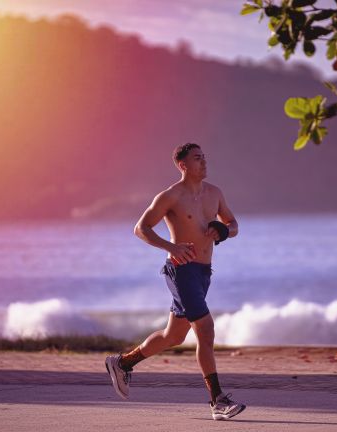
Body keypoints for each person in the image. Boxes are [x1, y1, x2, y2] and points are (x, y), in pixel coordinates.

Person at [105, 143, 246, 421]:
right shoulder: (171, 196)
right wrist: (172, 248)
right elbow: (140, 228)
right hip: (181, 271)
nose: (204, 162)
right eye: (197, 158)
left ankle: (122, 363)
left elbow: (234, 225)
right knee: (205, 329)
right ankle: (218, 400)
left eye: (204, 157)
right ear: (183, 165)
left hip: (204, 273)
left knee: (174, 336)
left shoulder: (214, 193)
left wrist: (223, 230)